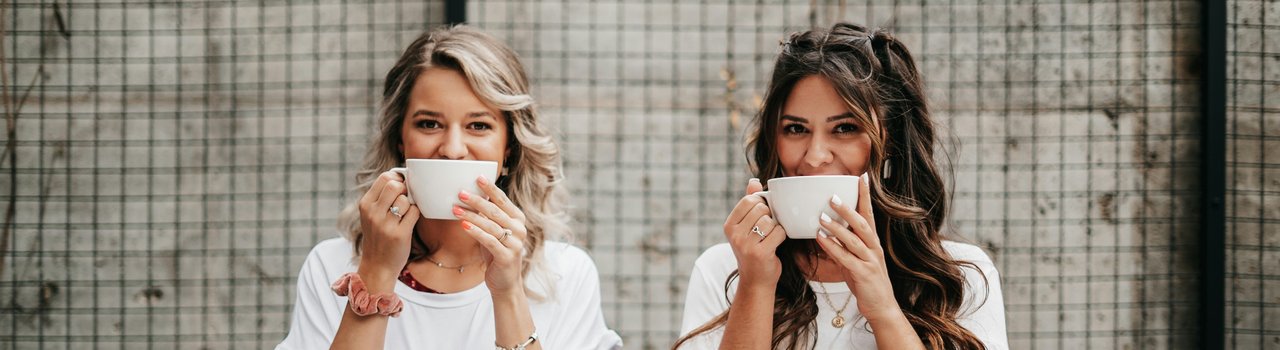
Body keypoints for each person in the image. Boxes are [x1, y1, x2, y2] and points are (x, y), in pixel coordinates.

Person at [277, 26, 622, 350]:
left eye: (478, 125)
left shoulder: (565, 275)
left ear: (508, 150)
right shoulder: (332, 266)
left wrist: (509, 294)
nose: (453, 149)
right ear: (401, 142)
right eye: (429, 124)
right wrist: (377, 273)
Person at [675, 23, 1008, 349]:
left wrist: (882, 307)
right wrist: (756, 285)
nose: (816, 156)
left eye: (845, 128)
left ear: (889, 140)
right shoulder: (725, 269)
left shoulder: (960, 275)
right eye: (795, 129)